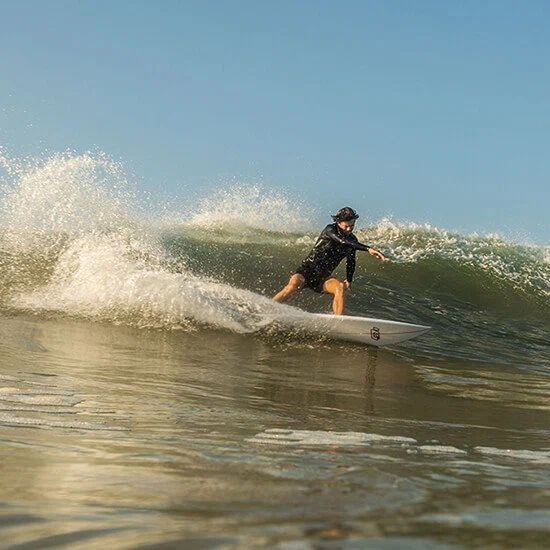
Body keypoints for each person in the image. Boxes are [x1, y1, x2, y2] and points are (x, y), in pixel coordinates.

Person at [272, 207, 386, 315]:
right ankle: (270, 308)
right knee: (292, 287)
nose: (349, 229)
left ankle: (338, 321)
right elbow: (341, 241)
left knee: (340, 287)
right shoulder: (330, 230)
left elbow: (351, 261)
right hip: (306, 271)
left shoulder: (352, 240)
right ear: (338, 222)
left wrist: (349, 279)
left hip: (322, 278)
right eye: (346, 226)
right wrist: (367, 249)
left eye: (352, 225)